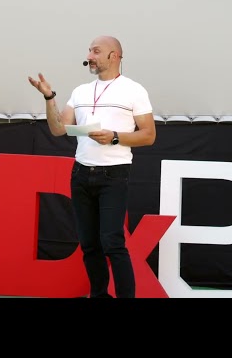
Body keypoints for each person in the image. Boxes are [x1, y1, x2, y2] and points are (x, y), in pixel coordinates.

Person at [28, 35, 156, 298]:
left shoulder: (134, 90)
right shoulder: (81, 91)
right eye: (89, 51)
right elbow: (58, 129)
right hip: (81, 174)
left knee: (112, 242)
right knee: (89, 244)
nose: (89, 56)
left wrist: (115, 137)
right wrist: (49, 97)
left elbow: (148, 135)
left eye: (96, 51)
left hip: (114, 175)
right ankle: (99, 295)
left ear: (114, 56)